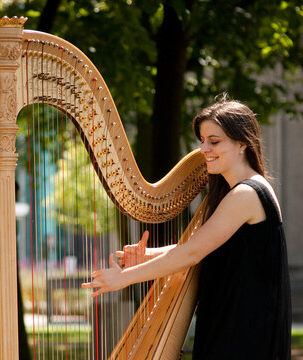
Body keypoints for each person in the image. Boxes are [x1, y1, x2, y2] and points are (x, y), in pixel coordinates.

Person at [82, 95, 292, 359]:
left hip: (244, 330)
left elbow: (192, 253)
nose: (204, 149)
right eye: (202, 141)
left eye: (214, 141)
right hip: (238, 320)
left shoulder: (246, 194)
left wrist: (124, 278)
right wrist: (149, 255)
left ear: (242, 143)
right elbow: (207, 244)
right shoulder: (240, 190)